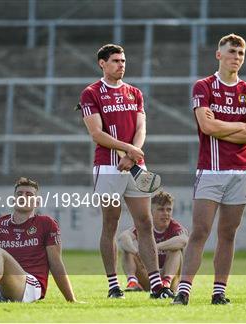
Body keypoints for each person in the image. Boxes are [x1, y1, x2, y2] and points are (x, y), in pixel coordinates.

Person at [172, 34, 246, 306]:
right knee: (200, 231)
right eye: (232, 51)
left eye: (241, 53)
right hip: (210, 169)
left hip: (240, 171)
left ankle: (219, 291)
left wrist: (223, 126)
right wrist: (239, 127)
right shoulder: (204, 86)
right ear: (218, 54)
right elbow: (207, 128)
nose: (237, 56)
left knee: (228, 234)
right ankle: (184, 290)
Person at [79, 44, 173, 299]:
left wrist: (133, 154)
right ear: (102, 63)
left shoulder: (134, 93)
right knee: (110, 223)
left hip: (135, 164)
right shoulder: (91, 93)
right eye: (116, 61)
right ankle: (113, 285)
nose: (121, 64)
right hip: (108, 166)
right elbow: (97, 133)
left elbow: (141, 128)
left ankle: (156, 285)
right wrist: (128, 150)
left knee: (145, 222)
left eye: (123, 60)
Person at [118, 191, 188, 292]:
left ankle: (166, 282)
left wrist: (155, 247)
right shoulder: (145, 226)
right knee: (127, 250)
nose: (166, 214)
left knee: (176, 251)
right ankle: (132, 282)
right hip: (148, 277)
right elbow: (123, 238)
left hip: (168, 277)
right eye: (161, 209)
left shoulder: (174, 227)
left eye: (169, 210)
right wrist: (136, 252)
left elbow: (183, 240)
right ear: (151, 211)